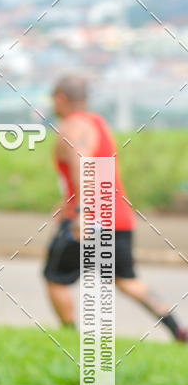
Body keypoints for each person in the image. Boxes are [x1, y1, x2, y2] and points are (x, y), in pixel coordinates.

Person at [43, 74, 187, 342]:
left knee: (54, 277)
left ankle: (68, 338)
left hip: (87, 220)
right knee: (126, 280)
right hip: (117, 216)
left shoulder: (72, 127)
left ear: (61, 99)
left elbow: (82, 166)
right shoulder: (99, 124)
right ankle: (177, 329)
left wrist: (82, 213)